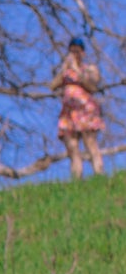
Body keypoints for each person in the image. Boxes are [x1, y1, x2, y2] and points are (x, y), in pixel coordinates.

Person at [54, 39, 105, 178]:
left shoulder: (89, 68)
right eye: (71, 51)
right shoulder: (67, 72)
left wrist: (77, 70)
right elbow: (53, 85)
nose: (74, 54)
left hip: (85, 109)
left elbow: (92, 86)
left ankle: (99, 175)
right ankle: (77, 179)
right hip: (68, 112)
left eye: (77, 51)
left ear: (82, 52)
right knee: (72, 147)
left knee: (90, 143)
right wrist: (64, 70)